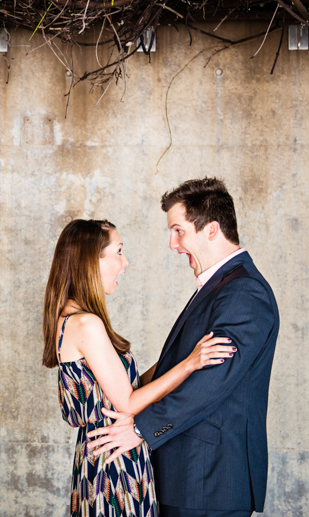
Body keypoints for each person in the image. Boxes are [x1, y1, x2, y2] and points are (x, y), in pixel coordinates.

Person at [87, 178, 280, 517]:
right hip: (191, 477)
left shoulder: (243, 292)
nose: (173, 244)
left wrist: (138, 429)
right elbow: (177, 366)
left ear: (211, 230)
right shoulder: (221, 286)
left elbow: (212, 381)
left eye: (179, 231)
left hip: (208, 480)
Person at [44, 219, 235, 517]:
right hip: (115, 466)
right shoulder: (86, 324)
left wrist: (179, 356)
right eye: (118, 252)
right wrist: (189, 364)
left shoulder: (71, 319)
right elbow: (128, 403)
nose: (125, 262)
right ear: (92, 260)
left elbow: (128, 388)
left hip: (105, 458)